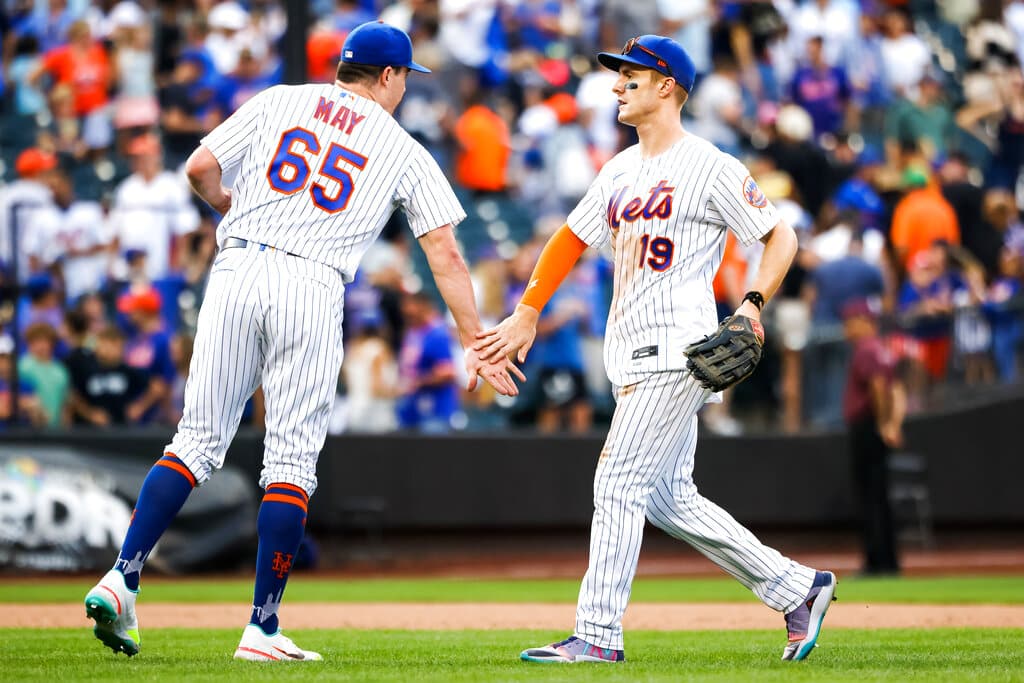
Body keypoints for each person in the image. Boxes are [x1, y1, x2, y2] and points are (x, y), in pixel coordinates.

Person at [83, 21, 522, 662]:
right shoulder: (400, 146)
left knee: (196, 441)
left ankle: (123, 574)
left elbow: (200, 166)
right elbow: (446, 254)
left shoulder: (278, 99)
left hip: (235, 268)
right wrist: (473, 336)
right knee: (289, 466)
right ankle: (261, 627)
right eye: (404, 78)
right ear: (391, 76)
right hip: (310, 282)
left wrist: (230, 206)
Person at [476, 34, 836, 664]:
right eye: (619, 76)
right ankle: (797, 587)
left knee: (616, 482)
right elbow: (566, 239)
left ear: (667, 85)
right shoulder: (618, 169)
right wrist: (527, 311)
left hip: (680, 348)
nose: (617, 85)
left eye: (631, 77)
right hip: (629, 351)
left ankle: (597, 635)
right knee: (670, 498)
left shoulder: (711, 164)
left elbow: (780, 237)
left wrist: (751, 306)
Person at [841, 298, 905, 575]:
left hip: (867, 427)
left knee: (870, 496)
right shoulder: (882, 348)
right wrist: (893, 424)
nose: (847, 326)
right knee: (880, 495)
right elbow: (898, 391)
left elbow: (879, 387)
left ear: (865, 321)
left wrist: (881, 424)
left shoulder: (866, 349)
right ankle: (888, 561)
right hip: (876, 427)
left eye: (851, 320)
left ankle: (876, 562)